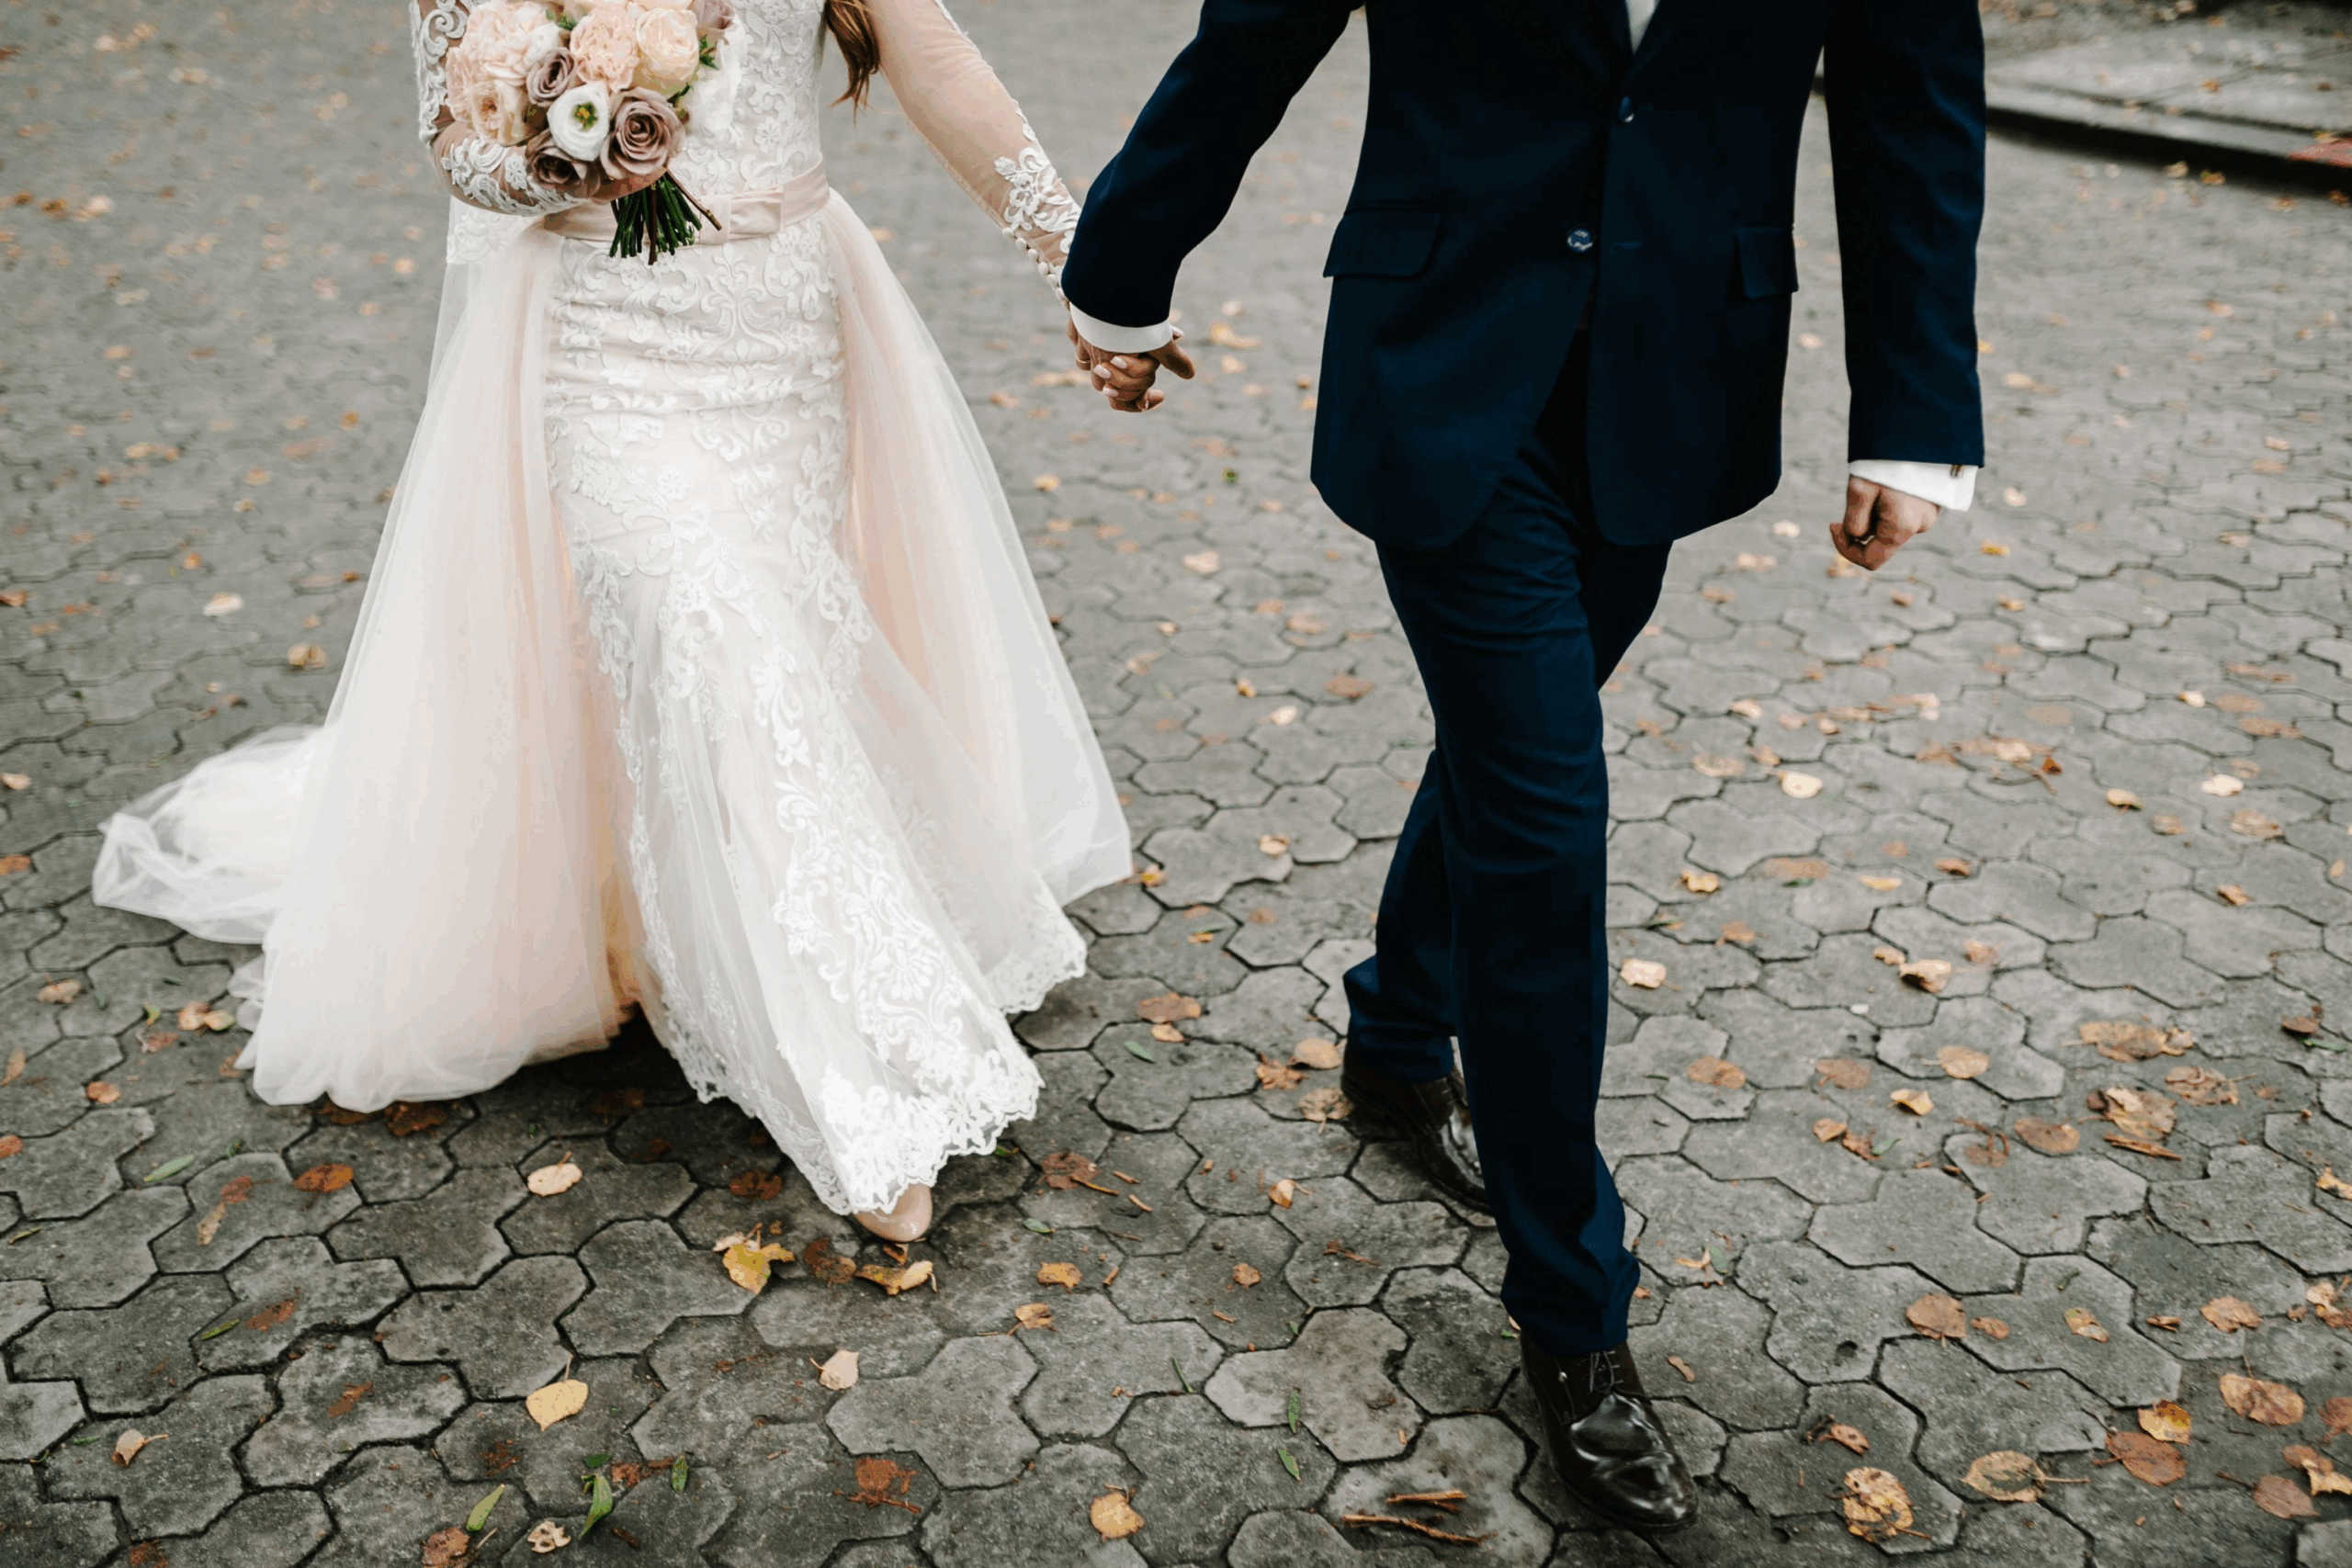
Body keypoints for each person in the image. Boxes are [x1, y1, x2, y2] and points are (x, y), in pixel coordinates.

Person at [1063, 0, 1985, 1530]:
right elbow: (1258, 30)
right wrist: (1123, 261)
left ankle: (1397, 1027)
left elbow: (1914, 107)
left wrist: (1914, 414)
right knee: (1548, 824)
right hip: (1443, 364)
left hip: (1671, 381)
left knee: (1510, 771)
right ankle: (1574, 1311)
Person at [91, 0, 1131, 1245]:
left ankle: (676, 914)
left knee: (780, 637)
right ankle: (847, 1067)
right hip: (603, 333)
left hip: (785, 324)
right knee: (708, 633)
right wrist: (553, 158)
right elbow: (450, 136)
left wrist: (1083, 256)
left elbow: (934, 57)